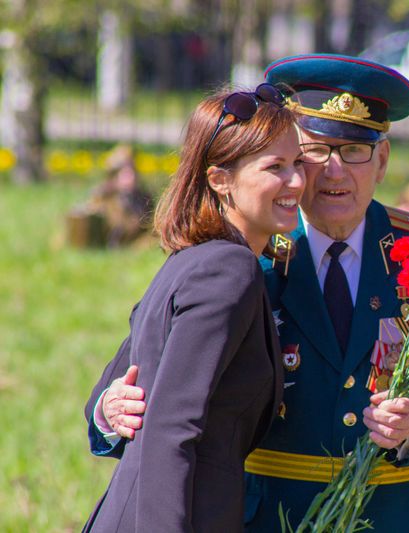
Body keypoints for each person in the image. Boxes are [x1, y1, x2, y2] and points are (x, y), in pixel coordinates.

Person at [91, 54, 409, 533]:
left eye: (354, 151)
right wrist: (110, 409)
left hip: (396, 513)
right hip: (270, 513)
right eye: (315, 152)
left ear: (383, 160)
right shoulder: (244, 252)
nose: (333, 172)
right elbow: (143, 368)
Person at [82, 83, 305, 532]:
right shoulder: (229, 269)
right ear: (220, 180)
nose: (297, 181)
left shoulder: (194, 259)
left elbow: (120, 388)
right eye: (275, 167)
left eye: (298, 163)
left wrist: (108, 406)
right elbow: (171, 426)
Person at [86, 144, 154, 247]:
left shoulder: (143, 199)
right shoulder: (103, 198)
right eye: (125, 172)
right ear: (113, 175)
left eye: (132, 170)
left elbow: (149, 230)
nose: (131, 176)